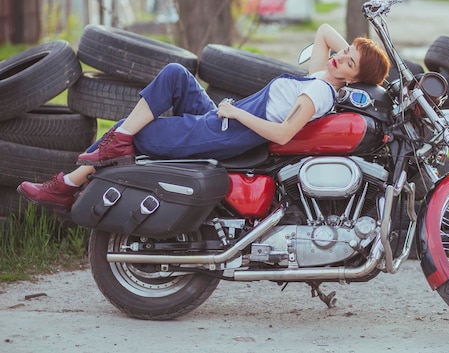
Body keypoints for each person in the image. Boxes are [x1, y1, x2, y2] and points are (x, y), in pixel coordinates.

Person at [17, 23, 390, 212]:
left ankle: (68, 183)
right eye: (345, 52)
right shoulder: (322, 75)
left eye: (349, 62)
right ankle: (83, 172)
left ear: (354, 78)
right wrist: (352, 55)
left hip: (230, 133)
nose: (339, 56)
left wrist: (236, 112)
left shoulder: (319, 91)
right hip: (225, 122)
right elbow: (324, 33)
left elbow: (282, 133)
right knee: (176, 76)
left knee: (135, 134)